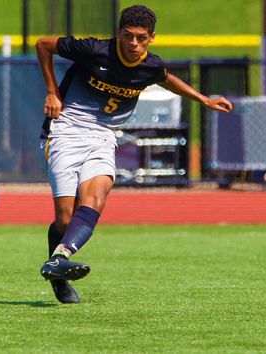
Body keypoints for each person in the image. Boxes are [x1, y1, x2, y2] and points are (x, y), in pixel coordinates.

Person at [36, 5, 232, 303]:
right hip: (66, 129)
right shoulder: (94, 50)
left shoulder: (149, 65)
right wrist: (52, 91)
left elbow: (165, 78)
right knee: (65, 221)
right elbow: (43, 45)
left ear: (152, 37)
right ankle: (59, 271)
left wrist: (202, 98)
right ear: (119, 33)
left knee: (95, 200)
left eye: (141, 37)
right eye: (128, 36)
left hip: (103, 136)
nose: (133, 43)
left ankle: (58, 259)